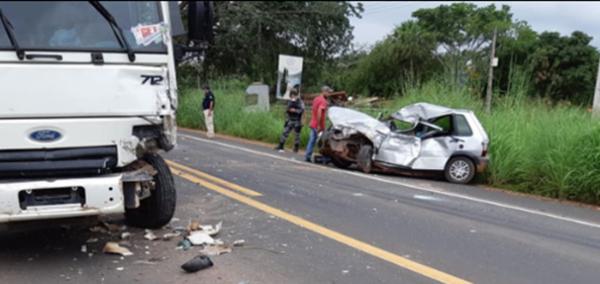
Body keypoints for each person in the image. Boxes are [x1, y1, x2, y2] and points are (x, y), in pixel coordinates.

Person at [305, 85, 333, 162]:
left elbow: (313, 110)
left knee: (312, 140)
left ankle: (308, 155)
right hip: (318, 125)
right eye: (328, 92)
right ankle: (324, 157)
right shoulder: (323, 101)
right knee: (323, 142)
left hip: (313, 123)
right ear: (324, 92)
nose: (329, 94)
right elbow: (319, 112)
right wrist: (319, 125)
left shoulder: (316, 99)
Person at [275, 89, 304, 153]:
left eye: (293, 95)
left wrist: (295, 111)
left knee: (297, 135)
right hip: (290, 119)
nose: (292, 96)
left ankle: (296, 148)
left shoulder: (300, 102)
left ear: (295, 95)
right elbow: (287, 109)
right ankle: (281, 145)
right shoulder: (290, 101)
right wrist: (289, 110)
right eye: (291, 95)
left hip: (297, 120)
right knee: (285, 133)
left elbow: (302, 110)